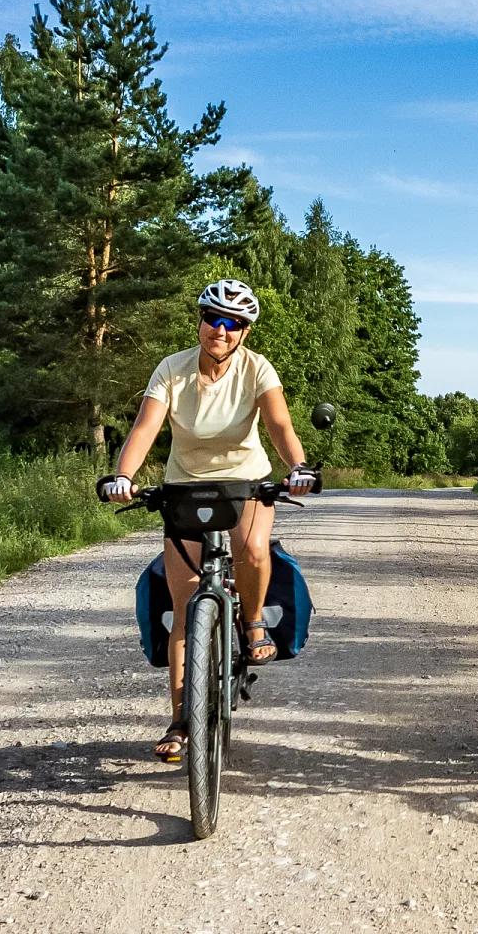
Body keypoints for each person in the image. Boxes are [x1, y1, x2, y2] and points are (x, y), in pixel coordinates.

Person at [101, 279, 316, 761]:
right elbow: (145, 428)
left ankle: (253, 623)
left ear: (244, 332)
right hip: (185, 488)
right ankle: (181, 720)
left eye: (233, 323)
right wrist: (123, 476)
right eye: (212, 318)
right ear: (199, 321)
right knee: (184, 612)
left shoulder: (257, 368)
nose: (221, 329)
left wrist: (298, 468)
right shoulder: (171, 370)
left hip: (247, 484)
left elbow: (280, 425)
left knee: (253, 549)